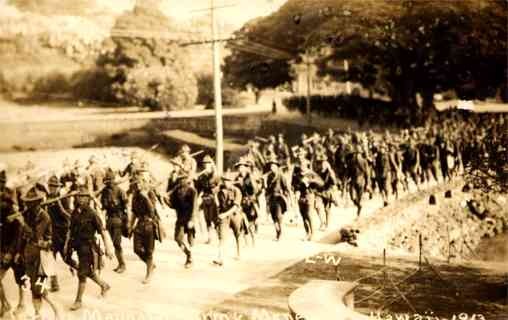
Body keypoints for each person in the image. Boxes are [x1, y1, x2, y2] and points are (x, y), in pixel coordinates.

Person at [68, 185, 112, 311]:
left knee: (82, 273)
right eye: (79, 196)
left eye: (84, 197)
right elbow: (70, 230)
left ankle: (78, 301)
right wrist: (67, 245)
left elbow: (102, 232)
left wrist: (108, 247)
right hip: (76, 246)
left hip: (88, 247)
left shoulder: (92, 214)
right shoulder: (75, 212)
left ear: (88, 199)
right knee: (86, 270)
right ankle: (104, 285)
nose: (81, 199)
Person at [16, 187, 54, 319]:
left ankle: (55, 308)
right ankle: (38, 314)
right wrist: (18, 252)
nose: (27, 204)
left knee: (39, 287)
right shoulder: (28, 214)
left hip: (41, 255)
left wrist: (22, 223)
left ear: (37, 202)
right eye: (27, 202)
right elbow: (22, 236)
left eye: (30, 202)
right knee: (33, 286)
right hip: (30, 253)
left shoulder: (44, 216)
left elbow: (35, 235)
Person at [0, 170, 26, 317]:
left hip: (16, 248)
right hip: (3, 248)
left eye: (2, 184)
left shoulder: (12, 206)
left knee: (21, 277)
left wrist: (12, 252)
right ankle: (5, 305)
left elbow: (19, 232)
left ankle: (22, 303)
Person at [46, 175, 76, 292]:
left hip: (62, 233)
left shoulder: (64, 198)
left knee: (67, 259)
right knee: (50, 258)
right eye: (50, 186)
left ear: (58, 187)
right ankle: (54, 284)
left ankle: (83, 271)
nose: (52, 188)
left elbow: (69, 217)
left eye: (54, 186)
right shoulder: (48, 197)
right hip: (52, 233)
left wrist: (60, 207)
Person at [130, 177, 160, 283]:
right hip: (139, 224)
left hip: (149, 224)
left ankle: (148, 274)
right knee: (137, 249)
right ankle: (150, 264)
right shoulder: (135, 196)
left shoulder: (150, 194)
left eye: (139, 184)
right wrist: (130, 226)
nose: (137, 186)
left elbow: (152, 212)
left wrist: (146, 197)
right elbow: (134, 212)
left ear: (144, 184)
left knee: (149, 251)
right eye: (136, 184)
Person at [99, 169, 128, 273]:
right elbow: (103, 207)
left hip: (118, 219)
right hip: (110, 219)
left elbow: (126, 208)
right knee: (114, 243)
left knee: (117, 244)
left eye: (110, 180)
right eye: (107, 180)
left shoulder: (120, 191)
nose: (108, 182)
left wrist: (126, 222)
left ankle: (122, 264)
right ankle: (120, 263)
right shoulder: (104, 192)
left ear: (113, 180)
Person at [168, 170, 197, 269]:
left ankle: (190, 258)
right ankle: (188, 254)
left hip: (189, 218)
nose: (181, 181)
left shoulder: (192, 191)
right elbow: (173, 206)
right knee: (178, 238)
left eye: (183, 179)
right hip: (180, 218)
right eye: (179, 179)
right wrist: (164, 200)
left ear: (187, 180)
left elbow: (194, 207)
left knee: (190, 240)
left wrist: (192, 220)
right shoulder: (177, 191)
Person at [214, 171, 244, 266]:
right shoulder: (220, 192)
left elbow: (235, 206)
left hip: (235, 215)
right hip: (224, 216)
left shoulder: (237, 191)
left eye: (228, 181)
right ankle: (220, 258)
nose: (226, 183)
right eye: (225, 181)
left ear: (232, 182)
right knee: (222, 237)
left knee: (238, 235)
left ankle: (239, 253)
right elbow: (219, 205)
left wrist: (225, 214)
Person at [291, 158, 324, 241]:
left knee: (309, 214)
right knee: (303, 215)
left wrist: (311, 181)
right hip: (300, 196)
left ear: (306, 165)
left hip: (310, 195)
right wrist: (296, 191)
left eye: (303, 165)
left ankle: (312, 233)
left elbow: (321, 183)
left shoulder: (311, 173)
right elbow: (293, 185)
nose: (302, 166)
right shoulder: (297, 175)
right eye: (300, 165)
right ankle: (307, 233)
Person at [195, 155, 220, 244]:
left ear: (211, 164)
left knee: (215, 219)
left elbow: (218, 187)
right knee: (207, 219)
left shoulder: (216, 175)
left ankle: (220, 237)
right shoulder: (202, 177)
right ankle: (210, 238)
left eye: (208, 164)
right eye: (204, 164)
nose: (206, 166)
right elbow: (199, 188)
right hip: (205, 198)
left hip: (214, 198)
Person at [234, 158, 260, 246]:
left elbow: (254, 190)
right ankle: (246, 242)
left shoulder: (250, 177)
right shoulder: (237, 178)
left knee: (251, 222)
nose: (240, 169)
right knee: (242, 222)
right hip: (241, 203)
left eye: (242, 167)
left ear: (245, 167)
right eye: (239, 167)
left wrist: (244, 184)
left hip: (251, 202)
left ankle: (253, 240)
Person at [264, 156, 290, 241]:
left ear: (277, 167)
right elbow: (267, 189)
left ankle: (280, 233)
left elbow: (286, 187)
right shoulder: (269, 177)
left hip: (279, 198)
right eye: (271, 166)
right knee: (273, 217)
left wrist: (286, 195)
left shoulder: (281, 176)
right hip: (271, 198)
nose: (272, 168)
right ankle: (277, 231)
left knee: (278, 216)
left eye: (274, 166)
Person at [314, 152, 338, 230]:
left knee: (327, 209)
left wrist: (330, 173)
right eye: (321, 163)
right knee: (317, 206)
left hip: (328, 191)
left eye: (324, 163)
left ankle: (327, 224)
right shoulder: (317, 171)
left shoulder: (330, 172)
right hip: (319, 191)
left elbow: (334, 182)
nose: (323, 165)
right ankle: (322, 222)